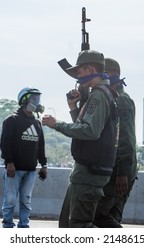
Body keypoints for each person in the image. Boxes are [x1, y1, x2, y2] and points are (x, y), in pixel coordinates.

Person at [42, 50, 119, 228]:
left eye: (79, 71)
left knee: (79, 225)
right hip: (89, 170)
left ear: (90, 69)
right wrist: (73, 107)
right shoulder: (105, 94)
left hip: (89, 172)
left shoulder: (99, 95)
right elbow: (86, 128)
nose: (77, 76)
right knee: (67, 224)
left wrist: (57, 124)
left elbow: (90, 132)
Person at [94, 58, 137, 228]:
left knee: (98, 215)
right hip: (117, 170)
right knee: (110, 217)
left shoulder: (121, 101)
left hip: (120, 172)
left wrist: (122, 173)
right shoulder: (112, 98)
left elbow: (126, 139)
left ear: (111, 75)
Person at [0, 87, 47, 228]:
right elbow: (5, 143)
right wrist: (9, 162)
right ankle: (7, 224)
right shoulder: (11, 120)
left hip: (31, 170)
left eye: (38, 98)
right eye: (34, 98)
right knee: (10, 199)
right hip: (14, 168)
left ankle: (24, 225)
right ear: (24, 100)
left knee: (26, 199)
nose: (37, 101)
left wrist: (44, 165)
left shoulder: (37, 123)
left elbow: (41, 146)